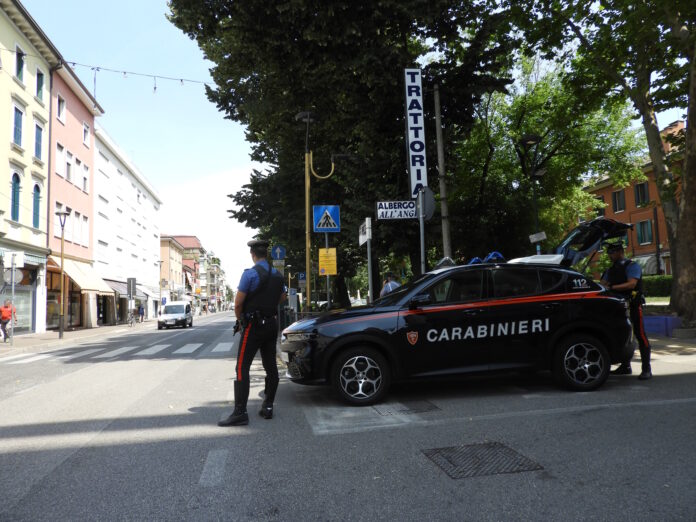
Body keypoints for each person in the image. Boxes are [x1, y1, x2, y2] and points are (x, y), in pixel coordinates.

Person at [218, 239, 287, 427]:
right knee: (271, 366)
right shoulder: (278, 275)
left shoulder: (250, 275)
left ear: (253, 254)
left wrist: (241, 320)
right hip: (271, 325)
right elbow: (282, 297)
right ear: (267, 254)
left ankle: (240, 412)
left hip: (253, 327)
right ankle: (268, 406)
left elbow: (238, 303)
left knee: (242, 367)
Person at [600, 242, 652, 380]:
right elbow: (602, 285)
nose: (609, 255)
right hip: (617, 306)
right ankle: (625, 366)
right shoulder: (610, 270)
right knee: (622, 335)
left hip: (634, 304)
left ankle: (646, 369)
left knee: (640, 335)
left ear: (619, 252)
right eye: (608, 253)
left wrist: (612, 287)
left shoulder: (631, 266)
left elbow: (631, 284)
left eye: (612, 252)